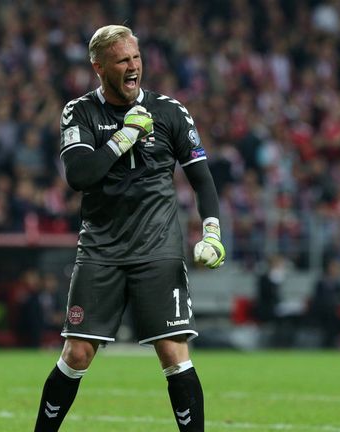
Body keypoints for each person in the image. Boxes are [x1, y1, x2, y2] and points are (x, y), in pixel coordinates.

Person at [33, 25, 225, 432]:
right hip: (101, 249)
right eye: (122, 60)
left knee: (174, 352)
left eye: (136, 58)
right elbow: (80, 175)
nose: (133, 66)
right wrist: (124, 137)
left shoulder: (171, 111)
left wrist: (212, 232)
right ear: (99, 67)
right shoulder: (80, 111)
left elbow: (202, 179)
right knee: (78, 353)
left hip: (158, 248)